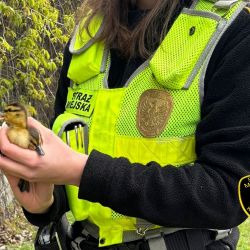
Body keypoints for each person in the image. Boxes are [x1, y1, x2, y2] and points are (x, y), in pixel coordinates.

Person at [0, 0, 250, 249]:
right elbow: (66, 161)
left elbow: (228, 193)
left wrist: (82, 172)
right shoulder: (87, 35)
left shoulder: (232, 29)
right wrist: (46, 203)